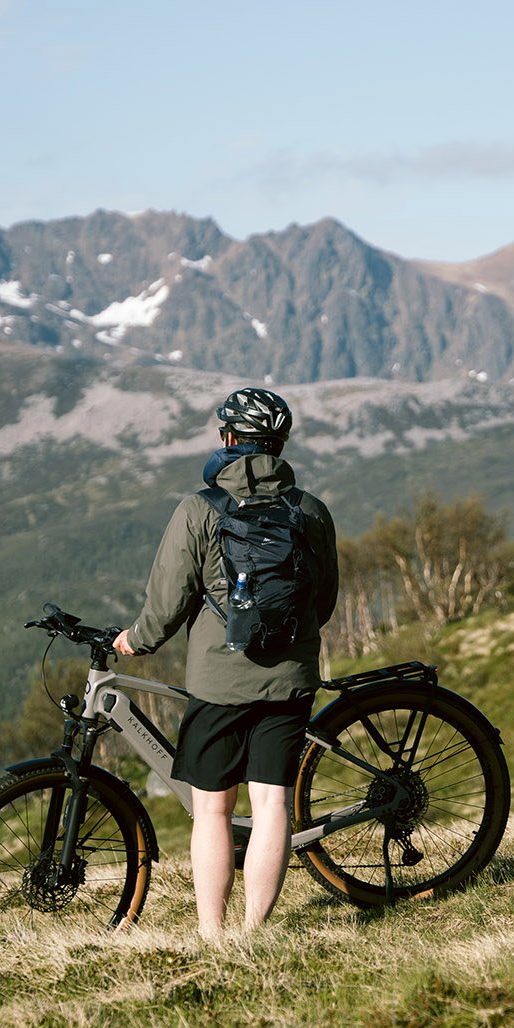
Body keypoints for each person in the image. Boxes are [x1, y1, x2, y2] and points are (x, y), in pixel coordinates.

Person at [114, 388, 338, 935]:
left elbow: (168, 602)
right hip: (289, 681)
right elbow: (324, 600)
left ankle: (212, 933)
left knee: (212, 810)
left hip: (217, 682)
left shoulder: (199, 509)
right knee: (272, 806)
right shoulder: (309, 510)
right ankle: (253, 931)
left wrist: (135, 641)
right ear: (279, 444)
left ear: (230, 440)